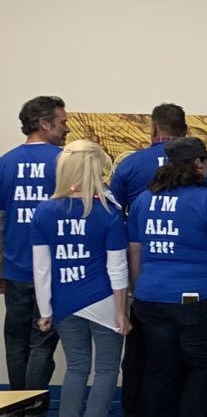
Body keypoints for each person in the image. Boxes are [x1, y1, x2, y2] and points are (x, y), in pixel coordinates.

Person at [127, 137, 207, 416]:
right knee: (203, 369)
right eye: (204, 161)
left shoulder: (144, 200)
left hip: (150, 298)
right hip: (201, 299)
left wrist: (138, 289)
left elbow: (135, 252)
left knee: (161, 367)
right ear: (198, 164)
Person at [30, 140, 127, 417]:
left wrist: (45, 310)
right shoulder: (109, 211)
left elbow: (42, 268)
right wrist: (122, 312)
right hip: (104, 299)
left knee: (76, 367)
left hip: (64, 301)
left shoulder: (44, 210)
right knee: (107, 369)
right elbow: (117, 267)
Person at [0, 96, 67, 404]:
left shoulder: (5, 162)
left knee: (16, 343)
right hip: (52, 273)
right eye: (62, 122)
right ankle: (33, 407)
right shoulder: (65, 162)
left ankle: (16, 406)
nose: (66, 128)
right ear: (44, 124)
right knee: (41, 344)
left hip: (14, 271)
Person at [110, 103, 207, 208]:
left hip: (143, 233)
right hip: (193, 233)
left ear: (153, 129)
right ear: (185, 130)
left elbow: (113, 212)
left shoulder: (129, 164)